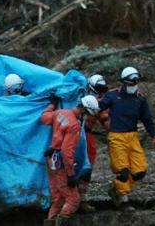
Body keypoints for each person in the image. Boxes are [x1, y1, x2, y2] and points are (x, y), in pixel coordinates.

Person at [98, 66, 155, 208]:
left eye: (136, 83)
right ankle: (123, 198)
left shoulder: (140, 99)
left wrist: (153, 135)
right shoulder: (113, 96)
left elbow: (147, 118)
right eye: (131, 83)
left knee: (139, 171)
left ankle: (116, 189)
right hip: (116, 136)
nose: (134, 86)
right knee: (123, 170)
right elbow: (97, 107)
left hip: (133, 137)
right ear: (124, 82)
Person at [39, 94, 100, 225]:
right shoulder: (74, 125)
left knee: (59, 199)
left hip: (50, 160)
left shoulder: (60, 112)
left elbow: (43, 118)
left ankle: (50, 222)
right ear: (84, 110)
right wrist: (71, 175)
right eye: (88, 114)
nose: (88, 117)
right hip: (60, 163)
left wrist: (51, 105)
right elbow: (67, 153)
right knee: (73, 200)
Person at [77, 74, 110, 212]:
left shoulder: (98, 103)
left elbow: (105, 118)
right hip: (72, 132)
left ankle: (81, 198)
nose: (100, 94)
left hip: (87, 134)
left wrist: (116, 130)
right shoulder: (75, 94)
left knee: (87, 167)